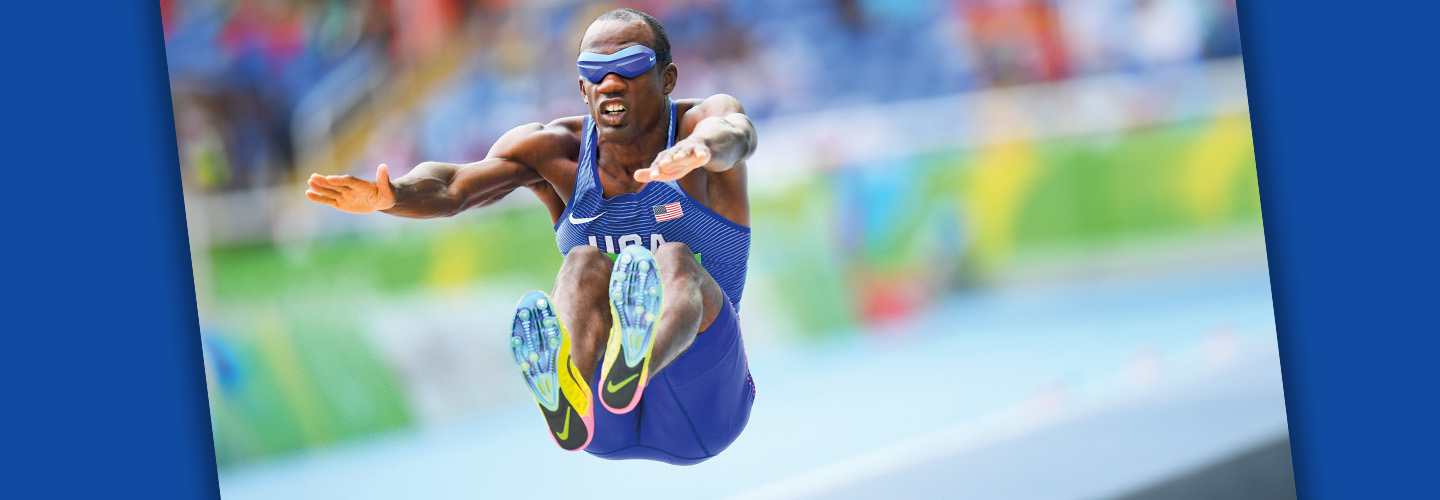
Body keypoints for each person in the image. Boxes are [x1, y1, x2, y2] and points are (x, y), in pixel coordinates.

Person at [304, 8, 757, 466]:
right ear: (583, 88)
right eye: (594, 73)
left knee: (675, 260)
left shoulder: (703, 127)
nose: (611, 83)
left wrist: (703, 149)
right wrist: (392, 195)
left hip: (704, 411)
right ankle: (570, 390)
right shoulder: (554, 149)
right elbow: (453, 185)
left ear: (668, 78)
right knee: (581, 264)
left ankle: (635, 367)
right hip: (599, 425)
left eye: (630, 66)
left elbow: (736, 132)